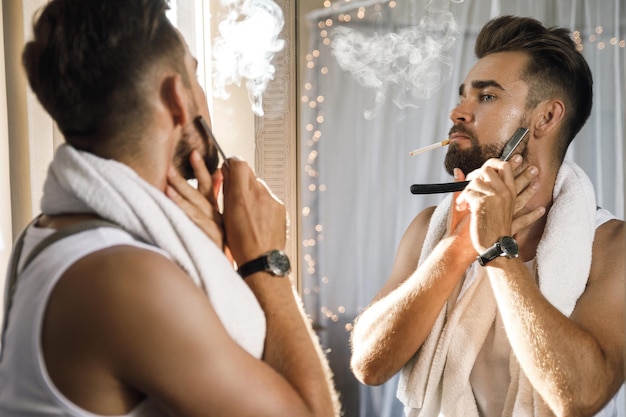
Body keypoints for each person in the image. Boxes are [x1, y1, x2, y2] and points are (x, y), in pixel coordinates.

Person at [0, 1, 340, 416]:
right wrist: (266, 262)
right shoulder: (123, 277)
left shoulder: (51, 233)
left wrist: (218, 260)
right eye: (195, 74)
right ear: (177, 97)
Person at [350, 15, 624, 417]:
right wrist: (456, 250)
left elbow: (580, 397)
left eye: (487, 97)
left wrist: (498, 251)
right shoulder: (431, 228)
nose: (458, 112)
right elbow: (369, 367)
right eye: (463, 96)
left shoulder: (612, 246)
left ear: (546, 118)